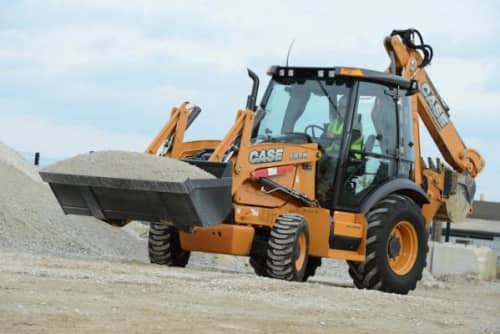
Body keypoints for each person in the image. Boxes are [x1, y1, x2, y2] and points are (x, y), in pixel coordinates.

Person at [317, 95, 363, 201]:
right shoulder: (335, 122)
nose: (341, 109)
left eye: (344, 106)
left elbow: (351, 138)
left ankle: (321, 192)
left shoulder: (356, 123)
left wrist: (334, 136)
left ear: (351, 108)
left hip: (350, 156)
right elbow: (326, 139)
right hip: (333, 153)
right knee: (314, 161)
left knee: (333, 163)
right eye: (340, 106)